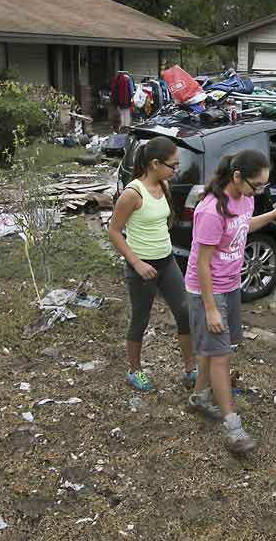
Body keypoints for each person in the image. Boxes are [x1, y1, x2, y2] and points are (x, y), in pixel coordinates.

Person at [185, 150, 276, 454]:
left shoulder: (246, 199)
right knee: (221, 356)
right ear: (237, 177)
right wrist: (210, 307)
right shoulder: (210, 211)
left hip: (230, 285)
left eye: (263, 186)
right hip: (208, 289)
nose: (259, 191)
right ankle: (234, 428)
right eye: (256, 185)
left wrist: (272, 215)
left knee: (213, 348)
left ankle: (200, 398)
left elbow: (243, 225)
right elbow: (201, 264)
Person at [108, 137, 196, 393]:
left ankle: (191, 369)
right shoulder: (132, 194)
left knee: (184, 311)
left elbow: (163, 222)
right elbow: (113, 231)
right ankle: (134, 371)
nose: (175, 170)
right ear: (155, 163)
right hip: (141, 267)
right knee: (140, 319)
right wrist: (136, 262)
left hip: (166, 262)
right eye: (173, 165)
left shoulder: (164, 185)